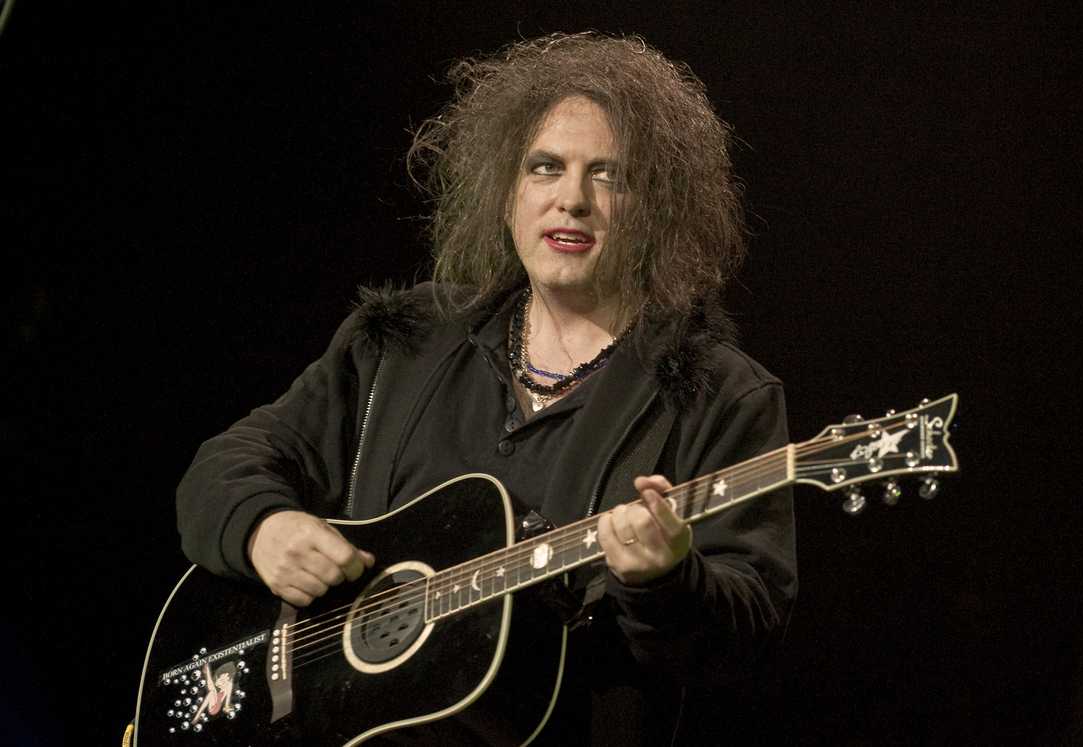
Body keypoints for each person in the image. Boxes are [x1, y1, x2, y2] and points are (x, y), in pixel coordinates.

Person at [177, 32, 797, 745]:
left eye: (609, 176)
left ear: (654, 209)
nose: (572, 200)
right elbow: (218, 472)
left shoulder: (721, 395)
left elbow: (747, 635)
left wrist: (666, 579)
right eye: (545, 168)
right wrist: (262, 527)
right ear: (507, 191)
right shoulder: (403, 340)